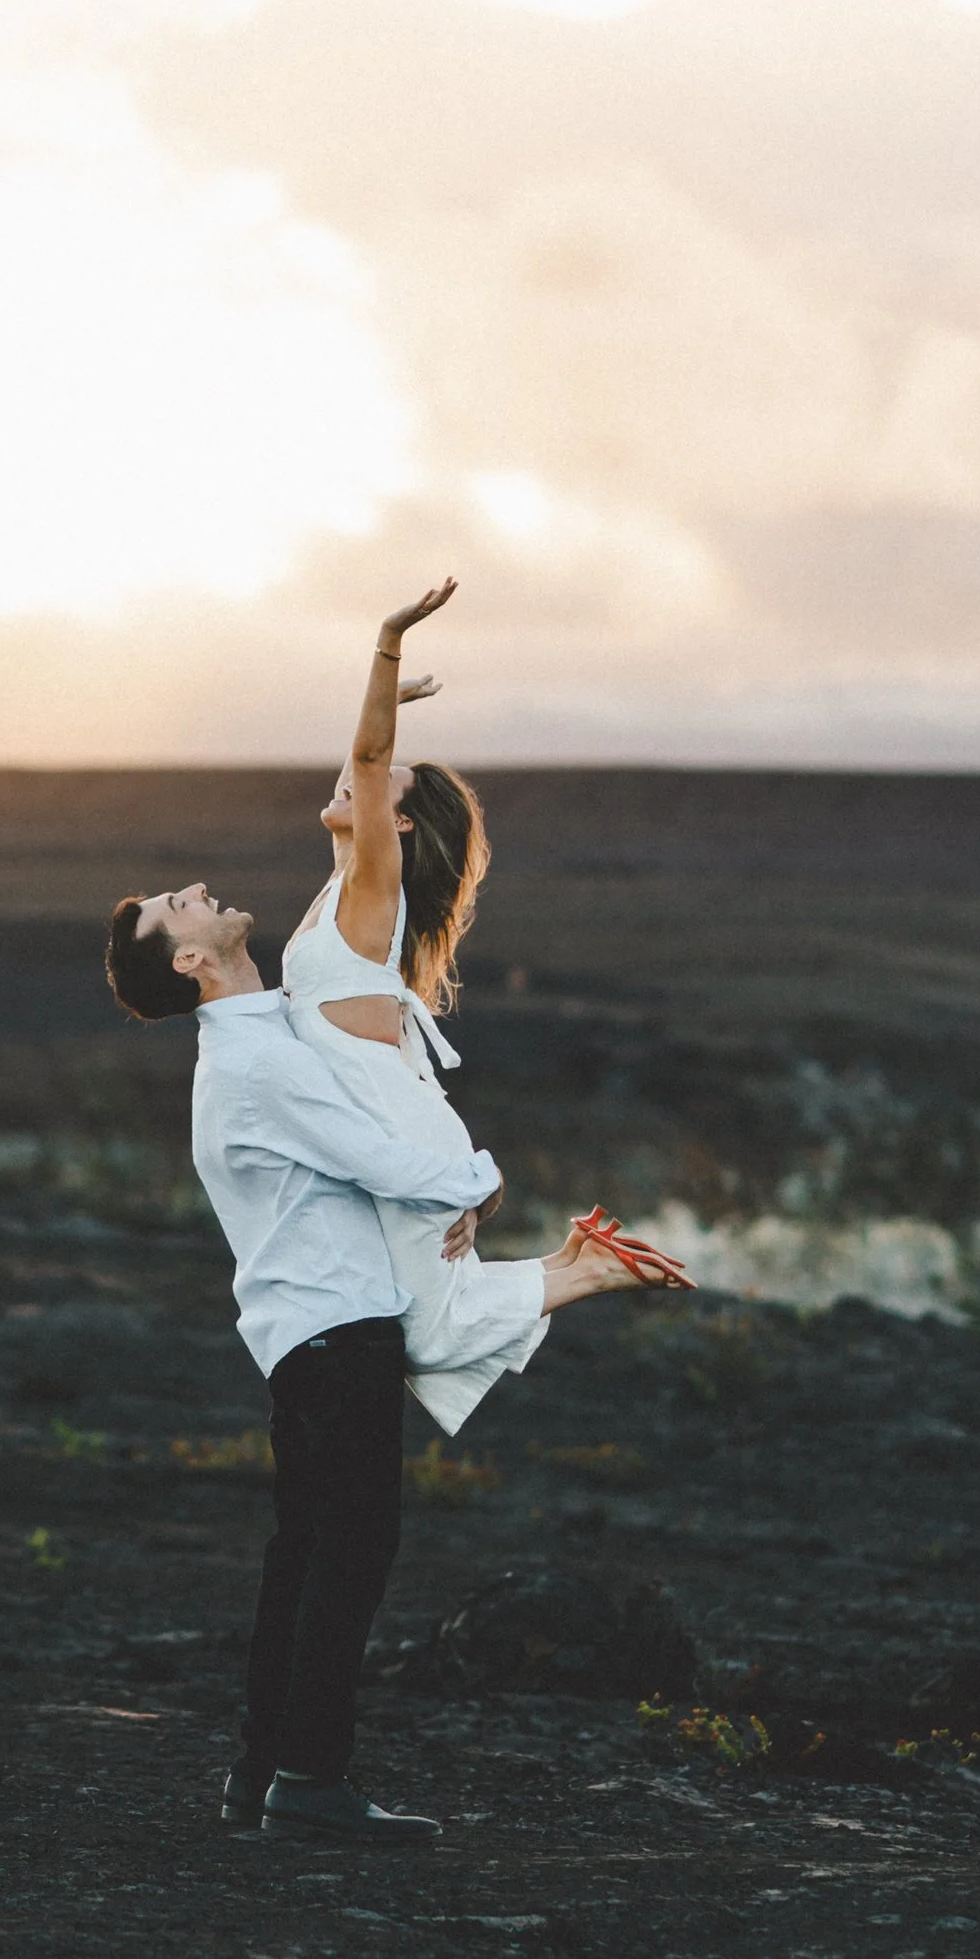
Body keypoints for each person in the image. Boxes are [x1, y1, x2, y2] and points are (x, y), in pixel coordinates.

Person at [104, 859, 676, 1848]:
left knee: (303, 1560)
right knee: (348, 1560)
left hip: (314, 1340)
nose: (194, 887)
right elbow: (372, 1154)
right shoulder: (252, 1062)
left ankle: (261, 1774)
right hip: (335, 1338)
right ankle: (310, 1781)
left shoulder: (263, 1034)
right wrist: (478, 1180)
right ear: (193, 959)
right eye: (176, 904)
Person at [280, 576, 683, 1434]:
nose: (352, 781)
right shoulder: (340, 891)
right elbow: (360, 768)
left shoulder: (369, 893)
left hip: (398, 1137)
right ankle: (582, 1267)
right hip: (380, 1133)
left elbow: (364, 762)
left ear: (402, 830)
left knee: (427, 1336)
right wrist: (391, 704)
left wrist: (388, 646)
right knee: (420, 1322)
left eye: (378, 782)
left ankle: (585, 1275)